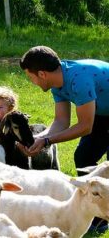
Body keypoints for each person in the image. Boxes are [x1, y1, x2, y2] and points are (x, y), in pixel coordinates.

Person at [19, 45, 109, 233]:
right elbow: (61, 121)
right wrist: (37, 138)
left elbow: (85, 126)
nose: (32, 81)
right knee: (84, 157)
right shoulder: (57, 82)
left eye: (31, 76)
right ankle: (97, 215)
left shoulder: (78, 80)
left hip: (101, 112)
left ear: (42, 74)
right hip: (103, 110)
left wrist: (47, 141)